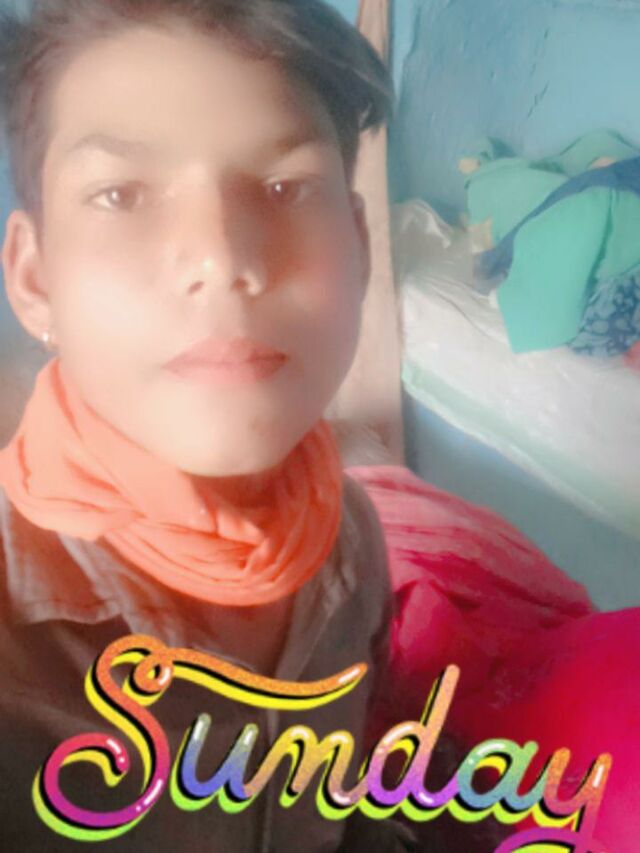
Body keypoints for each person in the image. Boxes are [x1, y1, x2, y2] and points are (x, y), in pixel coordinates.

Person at [0, 1, 417, 849]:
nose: (223, 259)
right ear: (35, 280)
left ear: (361, 247)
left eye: (287, 188)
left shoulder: (351, 539)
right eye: (121, 194)